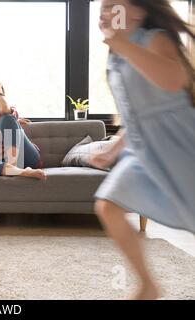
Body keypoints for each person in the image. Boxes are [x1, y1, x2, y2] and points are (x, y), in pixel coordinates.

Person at [89, 0, 195, 299]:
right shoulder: (116, 57)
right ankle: (148, 284)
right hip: (143, 151)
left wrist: (122, 44)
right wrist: (112, 150)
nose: (103, 12)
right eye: (102, 7)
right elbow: (137, 115)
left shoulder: (155, 39)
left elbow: (174, 80)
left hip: (179, 144)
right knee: (108, 205)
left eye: (112, 6)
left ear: (137, 11)